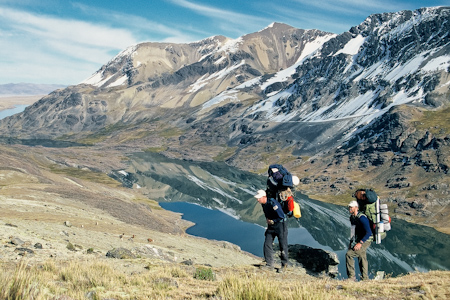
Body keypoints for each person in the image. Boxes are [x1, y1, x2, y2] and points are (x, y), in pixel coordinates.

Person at [254, 189, 288, 271]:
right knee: (267, 244)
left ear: (264, 197)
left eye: (259, 198)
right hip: (271, 226)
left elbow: (281, 216)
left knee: (282, 245)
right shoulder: (263, 204)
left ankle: (284, 266)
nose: (257, 200)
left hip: (280, 225)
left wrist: (273, 221)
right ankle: (269, 264)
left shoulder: (273, 203)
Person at [346, 200, 373, 281]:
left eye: (351, 207)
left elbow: (369, 232)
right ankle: (365, 278)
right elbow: (353, 230)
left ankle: (352, 277)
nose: (350, 208)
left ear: (356, 208)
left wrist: (360, 243)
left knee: (349, 254)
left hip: (366, 240)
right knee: (362, 256)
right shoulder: (352, 218)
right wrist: (351, 242)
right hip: (359, 239)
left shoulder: (362, 218)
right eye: (349, 207)